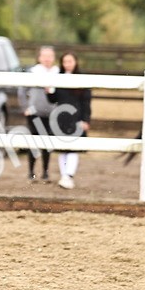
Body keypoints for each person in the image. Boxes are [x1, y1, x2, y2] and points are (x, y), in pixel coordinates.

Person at [47, 52, 91, 190]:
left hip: (77, 117)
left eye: (70, 61)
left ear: (75, 62)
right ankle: (64, 175)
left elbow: (86, 102)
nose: (67, 64)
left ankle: (69, 175)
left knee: (73, 148)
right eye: (65, 61)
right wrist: (48, 92)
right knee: (62, 148)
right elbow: (54, 99)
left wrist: (86, 119)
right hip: (61, 117)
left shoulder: (82, 79)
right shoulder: (58, 78)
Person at [18, 45, 59, 182]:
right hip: (35, 113)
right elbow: (22, 90)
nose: (47, 59)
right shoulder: (33, 72)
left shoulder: (57, 73)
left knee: (47, 143)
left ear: (53, 58)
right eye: (44, 56)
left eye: (50, 56)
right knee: (34, 142)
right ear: (39, 57)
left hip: (51, 113)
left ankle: (45, 172)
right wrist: (25, 107)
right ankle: (31, 172)